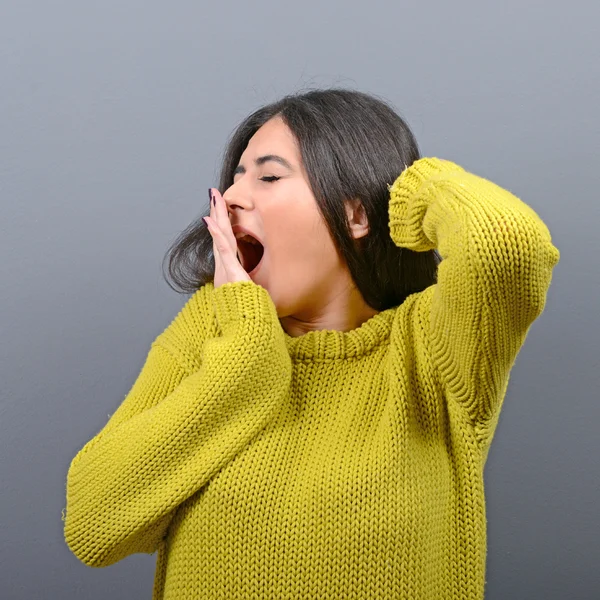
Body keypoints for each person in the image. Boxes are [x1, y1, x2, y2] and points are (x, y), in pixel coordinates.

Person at [63, 88, 560, 599]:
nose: (231, 197)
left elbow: (506, 246)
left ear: (356, 215)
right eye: (233, 179)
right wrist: (245, 356)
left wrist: (408, 188)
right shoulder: (212, 330)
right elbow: (94, 525)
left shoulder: (429, 352)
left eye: (269, 176)